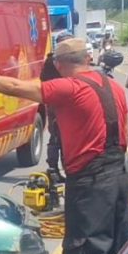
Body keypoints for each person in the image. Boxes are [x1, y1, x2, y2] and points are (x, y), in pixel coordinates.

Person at [0, 37, 128, 254]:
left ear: (59, 64)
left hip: (91, 183)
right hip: (118, 176)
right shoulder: (113, 86)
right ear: (88, 58)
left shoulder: (70, 88)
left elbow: (14, 87)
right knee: (118, 249)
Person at [41, 32, 74, 179]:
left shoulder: (58, 60)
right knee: (57, 137)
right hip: (58, 102)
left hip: (65, 102)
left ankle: (61, 168)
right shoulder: (53, 61)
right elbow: (44, 80)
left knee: (61, 137)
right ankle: (54, 169)